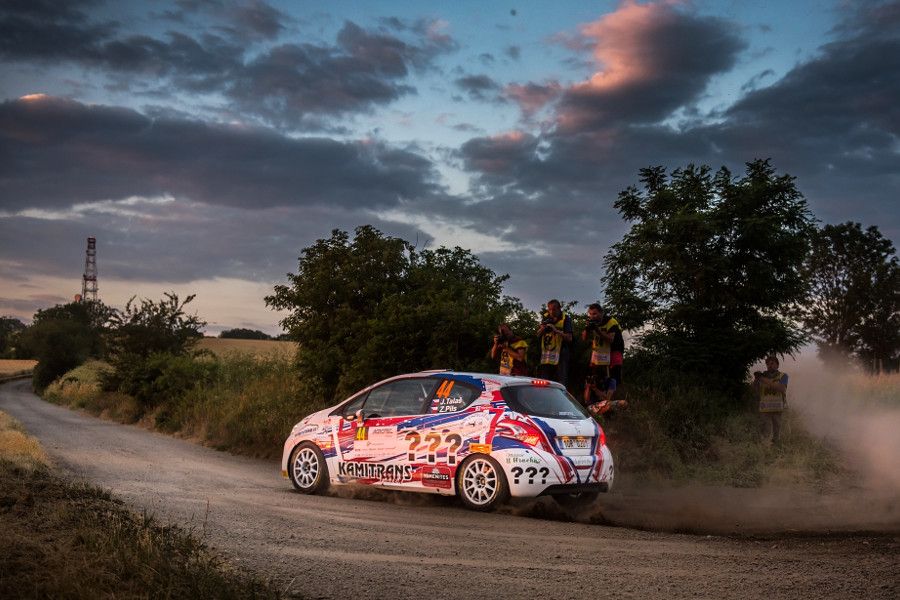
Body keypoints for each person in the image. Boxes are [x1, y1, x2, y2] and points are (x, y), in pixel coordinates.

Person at [582, 303, 625, 385]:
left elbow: (610, 339)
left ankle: (612, 391)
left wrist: (597, 330)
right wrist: (587, 329)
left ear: (601, 313)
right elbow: (584, 338)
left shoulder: (611, 322)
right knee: (594, 375)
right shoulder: (591, 322)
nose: (592, 316)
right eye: (590, 314)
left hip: (614, 349)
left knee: (614, 375)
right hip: (599, 351)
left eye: (594, 314)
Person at [536, 299, 573, 385]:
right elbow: (537, 335)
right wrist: (543, 328)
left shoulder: (565, 319)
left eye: (554, 309)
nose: (551, 312)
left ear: (559, 308)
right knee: (544, 379)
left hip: (561, 352)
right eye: (550, 309)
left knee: (561, 378)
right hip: (547, 353)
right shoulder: (546, 317)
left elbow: (569, 338)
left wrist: (556, 330)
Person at [754, 355, 789, 444]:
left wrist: (762, 379)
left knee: (776, 433)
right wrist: (756, 379)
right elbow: (755, 390)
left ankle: (775, 447)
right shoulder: (762, 376)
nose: (770, 366)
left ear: (777, 365)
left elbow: (781, 388)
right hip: (765, 408)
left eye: (772, 363)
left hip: (777, 408)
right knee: (765, 432)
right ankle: (765, 447)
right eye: (768, 364)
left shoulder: (783, 376)